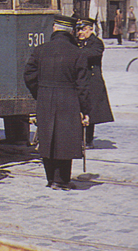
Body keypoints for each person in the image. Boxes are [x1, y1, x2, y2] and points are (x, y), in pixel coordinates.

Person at [24, 15, 90, 190]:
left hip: (45, 96)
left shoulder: (40, 50)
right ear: (71, 32)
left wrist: (40, 92)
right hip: (69, 98)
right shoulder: (78, 53)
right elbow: (82, 85)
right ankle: (61, 180)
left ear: (54, 28)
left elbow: (29, 75)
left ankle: (50, 178)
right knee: (65, 139)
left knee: (47, 137)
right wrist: (84, 109)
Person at [76, 17, 114, 148]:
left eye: (82, 30)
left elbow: (88, 54)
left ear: (90, 29)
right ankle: (78, 139)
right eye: (78, 30)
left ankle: (87, 140)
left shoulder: (96, 43)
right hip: (79, 80)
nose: (80, 33)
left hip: (91, 82)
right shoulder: (77, 42)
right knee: (77, 110)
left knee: (89, 111)